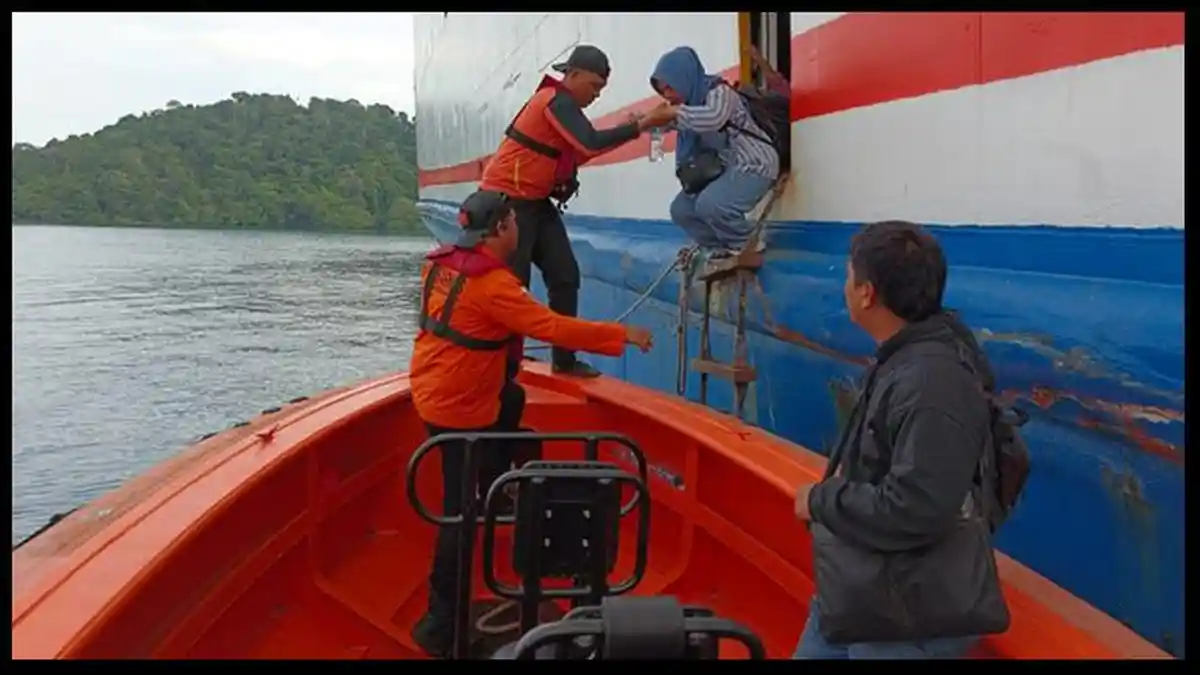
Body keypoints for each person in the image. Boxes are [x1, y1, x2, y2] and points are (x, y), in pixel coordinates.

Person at [408, 188, 655, 658]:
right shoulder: (494, 287)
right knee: (460, 518)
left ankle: (499, 473)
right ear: (501, 229)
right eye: (515, 221)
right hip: (459, 411)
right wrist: (623, 334)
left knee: (513, 397)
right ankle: (440, 625)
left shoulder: (439, 265)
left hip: (434, 391)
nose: (521, 228)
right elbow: (552, 328)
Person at [791, 220, 1010, 659]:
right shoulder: (909, 359)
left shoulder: (932, 382)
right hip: (871, 588)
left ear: (868, 293)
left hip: (908, 614)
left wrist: (819, 502)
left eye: (848, 277)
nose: (845, 287)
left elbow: (917, 507)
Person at [481, 44, 676, 378]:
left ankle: (564, 360)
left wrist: (639, 125)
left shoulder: (566, 107)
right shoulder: (555, 101)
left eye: (601, 89)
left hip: (536, 203)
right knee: (513, 286)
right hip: (508, 204)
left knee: (565, 275)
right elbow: (590, 143)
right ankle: (503, 366)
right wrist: (643, 124)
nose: (596, 95)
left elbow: (584, 150)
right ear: (572, 75)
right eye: (594, 86)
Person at [650, 46, 779, 259]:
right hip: (728, 169)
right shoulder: (688, 107)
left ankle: (748, 245)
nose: (668, 95)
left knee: (711, 204)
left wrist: (673, 111)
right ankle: (719, 247)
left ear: (685, 78)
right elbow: (662, 124)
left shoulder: (719, 92)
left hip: (755, 164)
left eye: (670, 88)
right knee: (681, 210)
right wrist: (640, 121)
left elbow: (712, 118)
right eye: (663, 91)